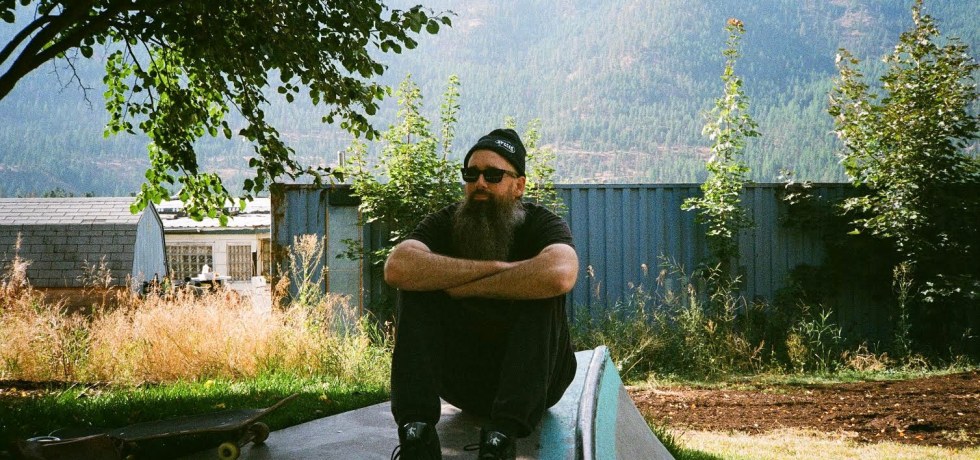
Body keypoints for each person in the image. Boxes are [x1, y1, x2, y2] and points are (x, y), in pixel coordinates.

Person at [384, 128, 579, 459]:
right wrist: (503, 271)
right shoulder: (446, 222)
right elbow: (397, 267)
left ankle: (501, 439)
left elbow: (561, 274)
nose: (480, 183)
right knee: (416, 288)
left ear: (519, 186)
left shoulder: (541, 224)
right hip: (464, 383)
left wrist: (464, 286)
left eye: (493, 175)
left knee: (542, 293)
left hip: (538, 384)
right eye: (471, 174)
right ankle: (416, 432)